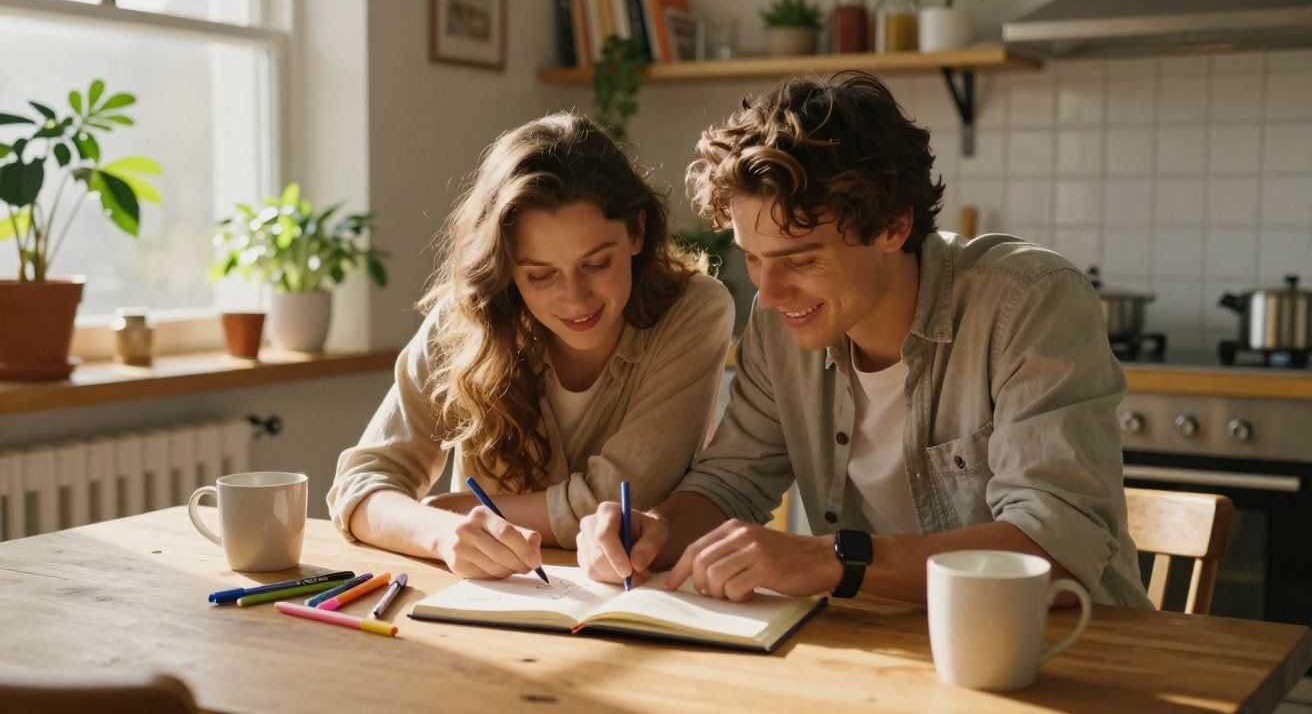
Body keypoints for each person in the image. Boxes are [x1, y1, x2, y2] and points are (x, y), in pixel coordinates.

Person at [576, 71, 1152, 607]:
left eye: (799, 259)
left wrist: (830, 560)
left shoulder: (1030, 301)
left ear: (892, 226)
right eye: (753, 259)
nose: (770, 293)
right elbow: (731, 481)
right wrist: (654, 531)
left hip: (1067, 649)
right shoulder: (780, 325)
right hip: (890, 649)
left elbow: (1052, 545)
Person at [328, 113, 734, 580]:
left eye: (598, 263)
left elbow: (623, 500)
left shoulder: (694, 310)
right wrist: (440, 531)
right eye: (539, 276)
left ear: (637, 232)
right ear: (505, 269)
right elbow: (360, 485)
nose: (575, 299)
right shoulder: (468, 318)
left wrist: (463, 506)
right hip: (496, 609)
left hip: (637, 602)